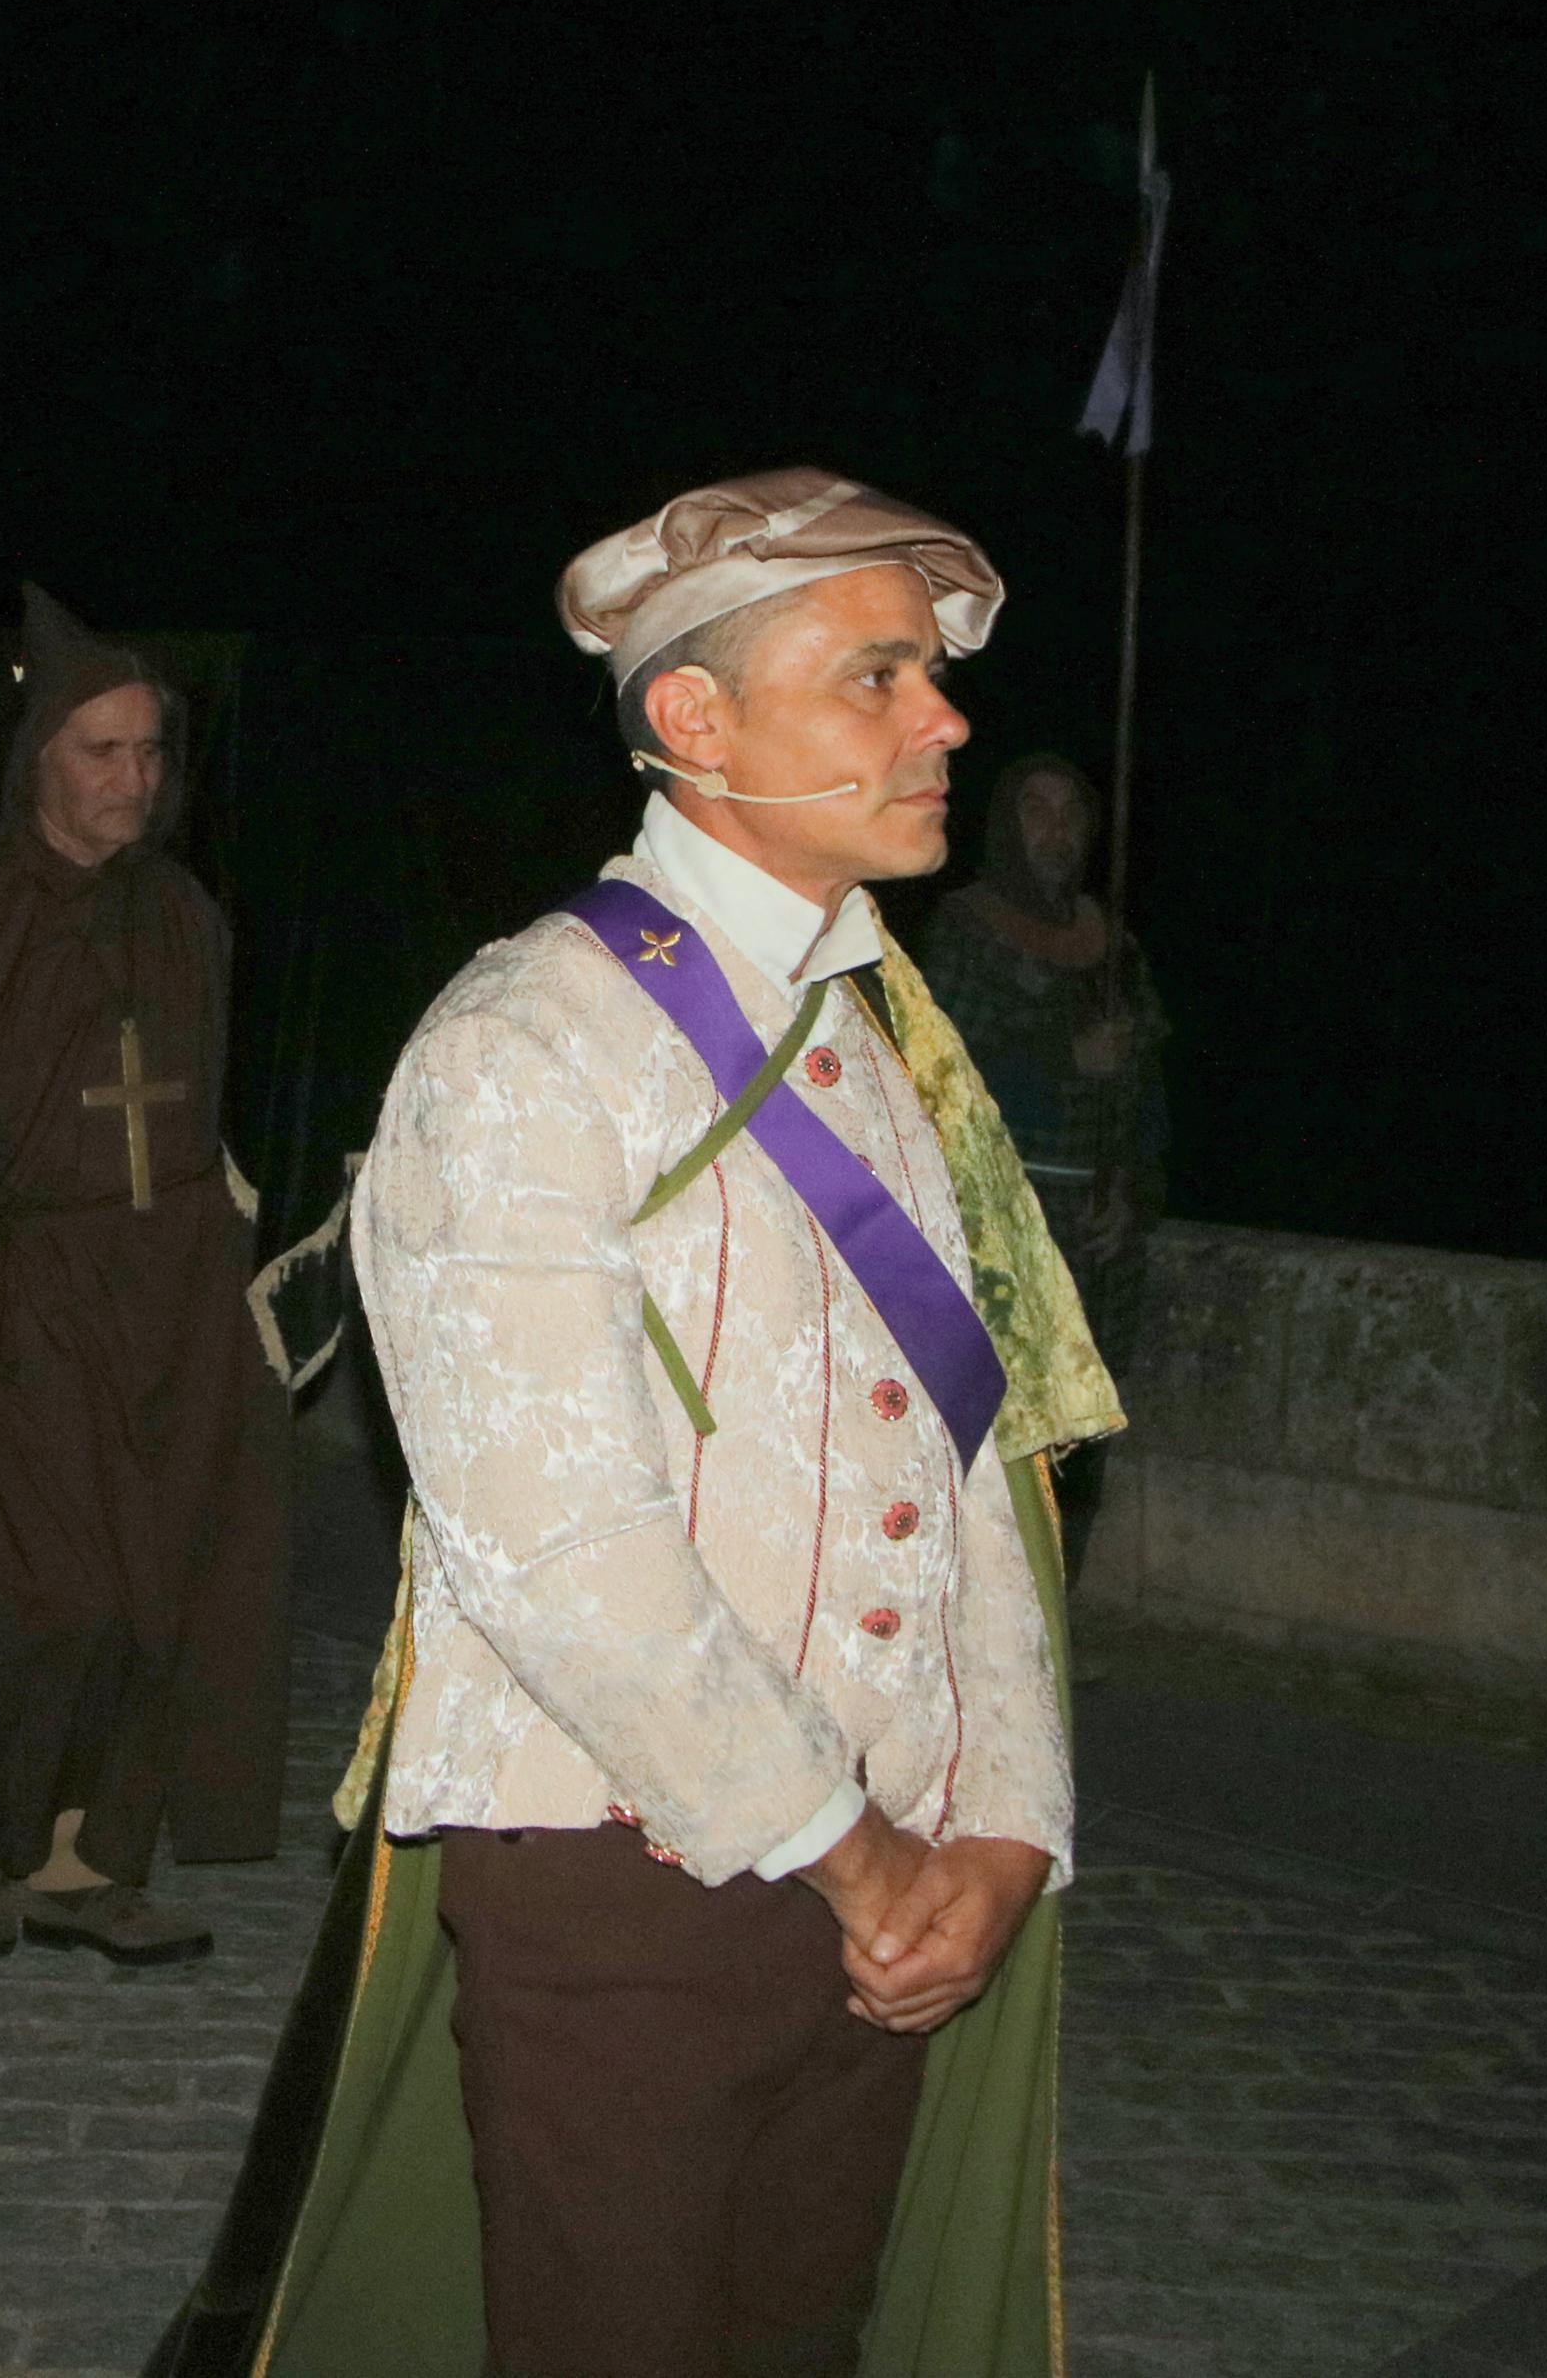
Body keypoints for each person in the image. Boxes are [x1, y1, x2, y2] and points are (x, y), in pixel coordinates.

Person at [156, 470, 1113, 2378]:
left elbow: (976, 1463)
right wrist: (854, 1854)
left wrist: (1000, 1823)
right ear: (695, 723)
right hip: (630, 1884)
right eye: (875, 677)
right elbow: (553, 1549)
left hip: (900, 1887)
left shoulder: (879, 1043)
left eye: (926, 676)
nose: (943, 722)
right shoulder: (520, 1045)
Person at [0, 585, 289, 1967]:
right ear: (36, 756)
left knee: (154, 1585)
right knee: (44, 1590)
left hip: (172, 1295)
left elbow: (200, 1110)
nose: (132, 779)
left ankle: (85, 1861)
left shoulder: (186, 915)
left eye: (149, 751)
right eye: (100, 749)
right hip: (24, 1292)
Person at [913, 751, 1166, 1570]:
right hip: (999, 1229)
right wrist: (1062, 1055)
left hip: (1093, 1238)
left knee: (1079, 1446)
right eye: (1035, 809)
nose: (1054, 830)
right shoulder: (965, 932)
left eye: (1069, 813)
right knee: (989, 1451)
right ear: (1006, 823)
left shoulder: (1112, 945)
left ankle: (1062, 1625)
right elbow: (936, 1074)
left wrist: (1129, 1190)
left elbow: (1146, 1096)